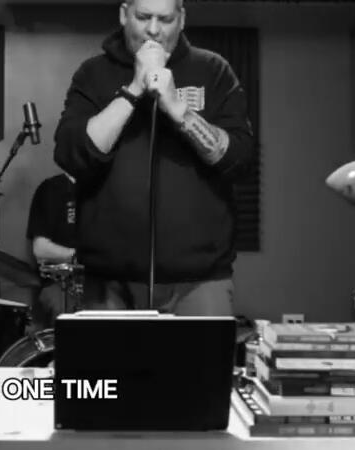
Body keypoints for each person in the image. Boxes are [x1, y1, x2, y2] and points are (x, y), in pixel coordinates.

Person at [54, 0, 255, 315]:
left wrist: (176, 107)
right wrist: (135, 88)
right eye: (143, 17)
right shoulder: (93, 74)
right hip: (109, 282)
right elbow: (72, 155)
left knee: (206, 352)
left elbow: (239, 160)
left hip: (200, 280)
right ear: (124, 15)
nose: (153, 29)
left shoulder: (213, 70)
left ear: (181, 19)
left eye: (165, 19)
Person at [25, 172, 80, 329]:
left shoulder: (103, 189)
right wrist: (80, 257)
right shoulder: (51, 189)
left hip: (100, 283)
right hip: (60, 283)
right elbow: (41, 249)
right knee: (67, 314)